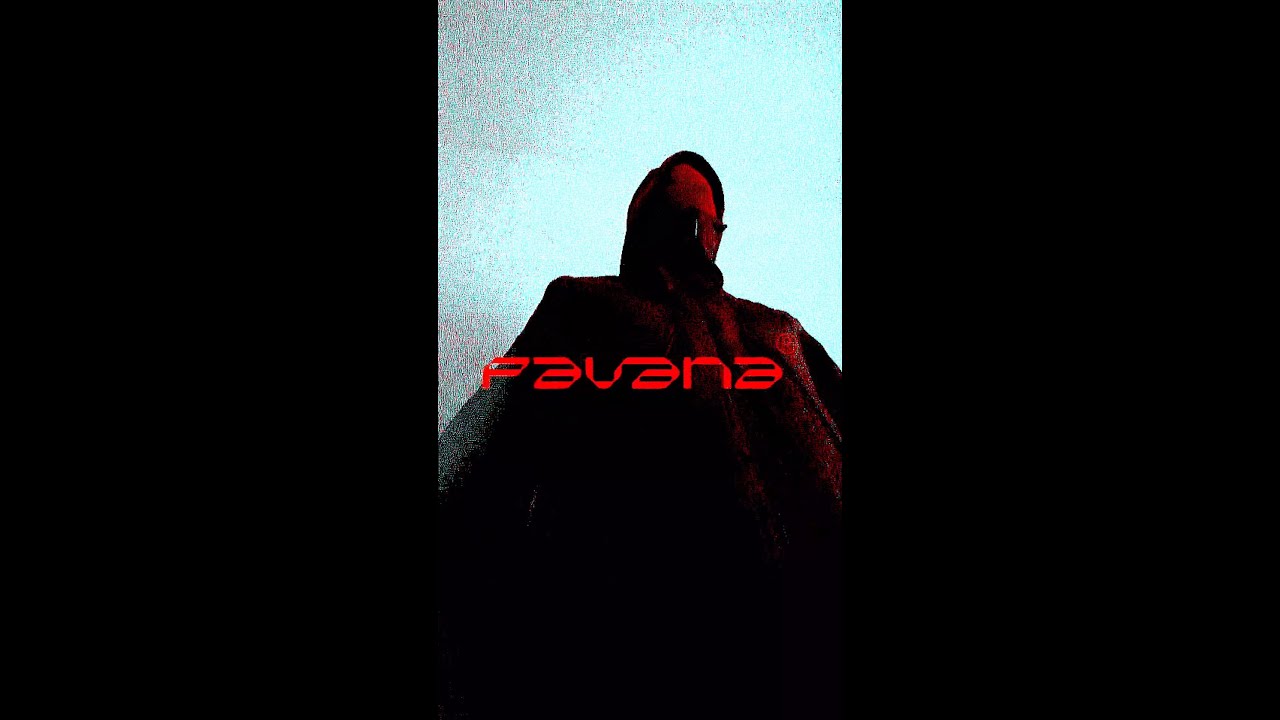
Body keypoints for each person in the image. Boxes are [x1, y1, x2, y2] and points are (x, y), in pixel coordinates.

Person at [437, 151, 842, 719]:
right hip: (637, 652)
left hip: (811, 651)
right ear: (642, 217)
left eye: (706, 212)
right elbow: (473, 455)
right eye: (672, 194)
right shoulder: (581, 304)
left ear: (716, 233)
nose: (694, 214)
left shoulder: (780, 331)